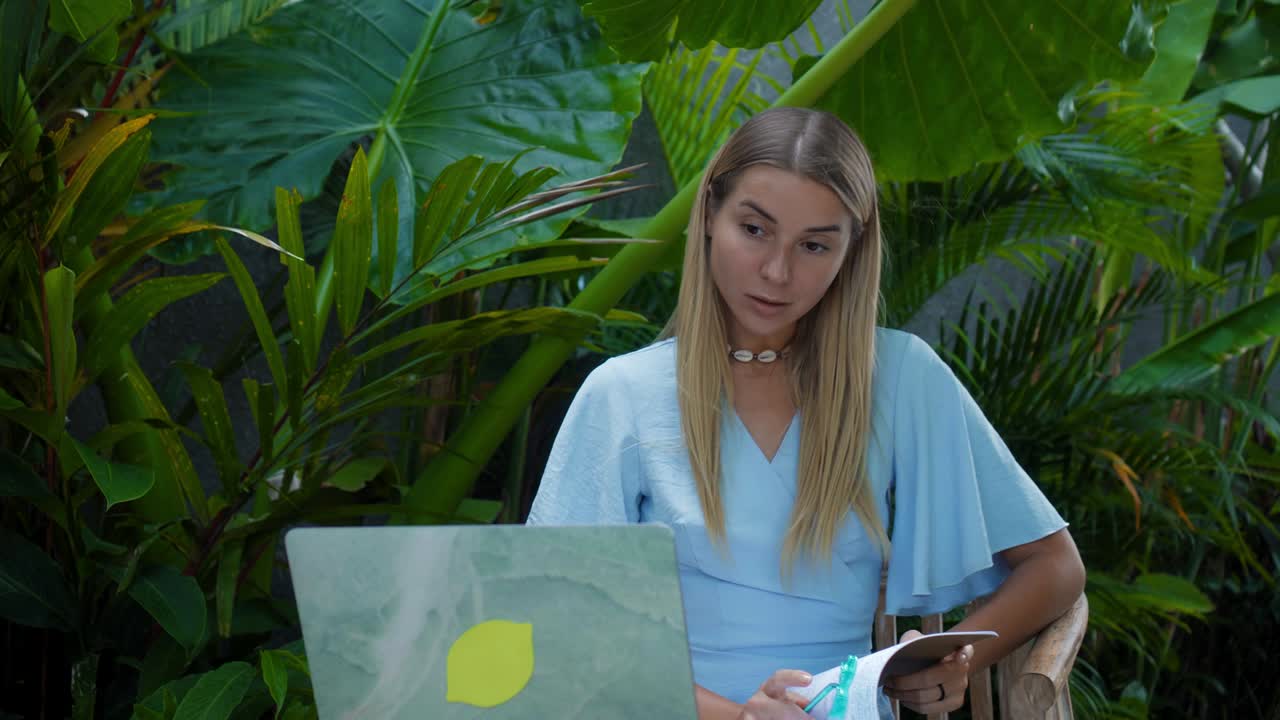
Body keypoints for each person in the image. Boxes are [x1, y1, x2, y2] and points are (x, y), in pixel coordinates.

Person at [526, 107, 1086, 720]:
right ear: (711, 213)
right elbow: (561, 628)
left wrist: (958, 663)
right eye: (755, 229)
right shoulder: (623, 393)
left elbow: (1055, 566)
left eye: (814, 245)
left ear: (852, 250)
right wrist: (738, 716)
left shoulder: (899, 377)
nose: (777, 272)